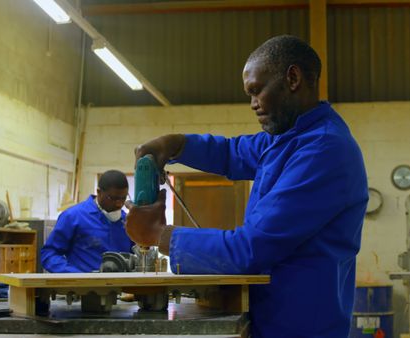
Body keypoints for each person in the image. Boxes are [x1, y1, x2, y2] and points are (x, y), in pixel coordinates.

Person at [125, 35, 368, 337]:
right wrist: (176, 144)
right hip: (274, 317)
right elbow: (231, 153)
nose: (253, 104)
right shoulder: (286, 139)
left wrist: (160, 235)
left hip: (301, 326)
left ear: (292, 78)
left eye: (256, 91)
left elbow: (251, 249)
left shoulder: (322, 149)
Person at [41, 170, 135, 273]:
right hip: (83, 286)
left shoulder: (128, 221)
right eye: (113, 198)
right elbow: (49, 254)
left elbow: (137, 254)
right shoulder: (73, 217)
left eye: (123, 198)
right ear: (99, 192)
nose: (119, 204)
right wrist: (73, 274)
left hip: (121, 286)